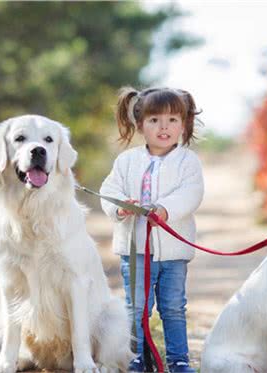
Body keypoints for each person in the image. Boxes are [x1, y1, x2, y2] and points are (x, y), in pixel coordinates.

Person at [100, 86, 204, 373]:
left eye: (173, 120)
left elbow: (191, 193)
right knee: (137, 308)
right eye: (155, 120)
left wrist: (165, 209)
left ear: (183, 124)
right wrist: (120, 207)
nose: (164, 127)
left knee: (173, 308)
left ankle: (178, 360)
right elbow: (109, 190)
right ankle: (138, 357)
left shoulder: (188, 162)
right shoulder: (126, 161)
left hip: (174, 253)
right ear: (140, 124)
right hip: (135, 251)